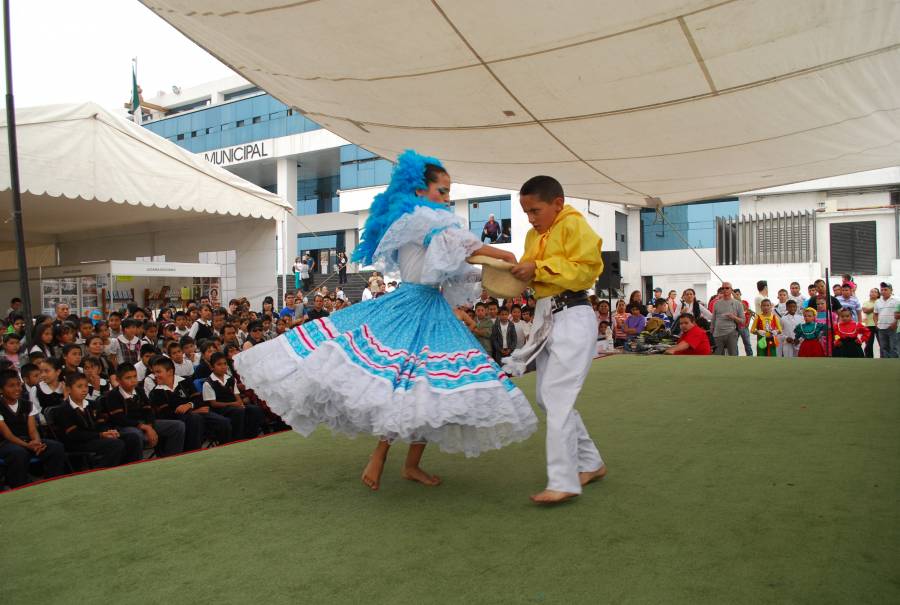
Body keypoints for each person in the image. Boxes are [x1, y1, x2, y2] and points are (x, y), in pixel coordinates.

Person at [234, 150, 537, 491]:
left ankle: (410, 465)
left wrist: (485, 274)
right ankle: (380, 456)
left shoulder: (423, 220)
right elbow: (463, 249)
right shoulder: (423, 219)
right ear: (420, 190)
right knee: (403, 385)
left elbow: (455, 263)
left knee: (427, 390)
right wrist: (505, 254)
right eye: (442, 190)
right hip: (409, 307)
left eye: (449, 191)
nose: (447, 198)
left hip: (430, 309)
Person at [506, 174, 606, 505]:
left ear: (557, 204)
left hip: (573, 314)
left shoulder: (575, 225)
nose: (530, 219)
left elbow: (586, 271)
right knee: (547, 399)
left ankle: (563, 480)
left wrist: (537, 268)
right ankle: (590, 463)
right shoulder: (533, 237)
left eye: (535, 210)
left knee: (557, 395)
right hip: (545, 316)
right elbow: (529, 273)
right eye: (526, 213)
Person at [53, 372, 141, 468]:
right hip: (79, 443)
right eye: (79, 387)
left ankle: (131, 467)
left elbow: (101, 423)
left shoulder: (92, 404)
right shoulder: (64, 409)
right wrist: (100, 435)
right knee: (116, 444)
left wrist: (108, 432)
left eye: (86, 386)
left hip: (97, 437)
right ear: (69, 389)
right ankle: (102, 471)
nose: (84, 390)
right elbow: (74, 434)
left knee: (132, 438)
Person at [100, 363, 185, 457]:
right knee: (136, 434)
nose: (133, 380)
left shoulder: (139, 390)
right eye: (128, 378)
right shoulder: (113, 395)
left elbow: (149, 410)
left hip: (145, 423)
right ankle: (137, 463)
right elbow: (120, 419)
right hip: (125, 426)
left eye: (135, 376)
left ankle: (171, 457)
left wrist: (150, 426)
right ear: (118, 380)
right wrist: (144, 427)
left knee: (178, 426)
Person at [0, 370, 65, 487]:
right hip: (6, 444)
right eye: (11, 386)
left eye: (18, 385)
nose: (17, 389)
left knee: (56, 447)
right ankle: (19, 488)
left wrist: (36, 441)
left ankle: (54, 483)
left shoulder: (27, 404)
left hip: (27, 441)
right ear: (1, 389)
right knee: (19, 453)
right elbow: (7, 435)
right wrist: (28, 445)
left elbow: (32, 430)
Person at [202, 352, 263, 441]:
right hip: (220, 409)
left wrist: (240, 403)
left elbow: (236, 395)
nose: (223, 366)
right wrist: (234, 404)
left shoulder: (230, 379)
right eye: (219, 364)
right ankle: (238, 438)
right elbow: (214, 404)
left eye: (225, 364)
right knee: (238, 411)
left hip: (234, 405)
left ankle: (251, 436)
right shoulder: (208, 383)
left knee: (254, 409)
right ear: (212, 367)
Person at [711, 282, 745, 356]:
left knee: (733, 356)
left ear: (731, 290)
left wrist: (733, 317)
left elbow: (743, 321)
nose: (725, 290)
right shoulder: (716, 303)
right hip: (717, 334)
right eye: (723, 288)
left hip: (731, 333)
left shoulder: (738, 303)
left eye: (727, 288)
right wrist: (711, 332)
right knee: (716, 356)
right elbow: (713, 319)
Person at [873, 282, 898, 358]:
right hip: (881, 329)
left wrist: (895, 323)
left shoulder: (897, 300)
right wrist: (876, 323)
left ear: (891, 290)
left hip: (893, 328)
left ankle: (894, 365)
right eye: (882, 290)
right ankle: (885, 365)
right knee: (883, 348)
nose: (883, 291)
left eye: (885, 290)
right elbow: (875, 314)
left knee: (894, 348)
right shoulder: (877, 301)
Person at [732, 288, 754, 356]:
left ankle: (750, 356)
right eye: (735, 295)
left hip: (744, 326)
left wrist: (748, 323)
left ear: (740, 294)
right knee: (734, 343)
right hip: (735, 327)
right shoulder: (732, 303)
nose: (737, 296)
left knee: (747, 343)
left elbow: (750, 313)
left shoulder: (745, 303)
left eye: (738, 294)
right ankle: (736, 356)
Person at [860, 287, 880, 358]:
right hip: (869, 325)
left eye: (875, 292)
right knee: (868, 344)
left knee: (882, 344)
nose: (873, 293)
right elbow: (865, 310)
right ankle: (869, 358)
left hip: (879, 325)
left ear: (878, 294)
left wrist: (875, 306)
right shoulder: (866, 303)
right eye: (871, 291)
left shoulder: (881, 302)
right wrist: (876, 306)